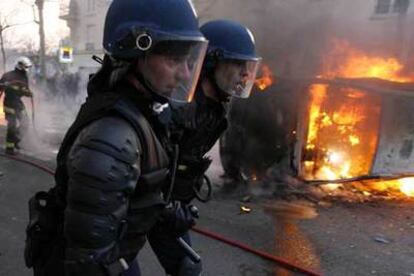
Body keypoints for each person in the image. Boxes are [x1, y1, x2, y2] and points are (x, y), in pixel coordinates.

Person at [24, 0, 208, 275]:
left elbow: (136, 194)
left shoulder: (144, 112)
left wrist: (162, 213)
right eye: (174, 60)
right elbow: (88, 264)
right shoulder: (112, 139)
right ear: (136, 53)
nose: (184, 74)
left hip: (116, 252)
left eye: (188, 61)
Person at [148, 19, 261, 276]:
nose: (245, 73)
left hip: (168, 208)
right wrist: (163, 206)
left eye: (248, 66)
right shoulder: (173, 105)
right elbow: (138, 170)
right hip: (132, 210)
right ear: (211, 62)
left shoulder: (217, 109)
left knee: (188, 268)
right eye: (237, 64)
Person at [0, 56, 33, 155]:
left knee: (25, 123)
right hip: (9, 103)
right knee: (12, 125)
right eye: (25, 66)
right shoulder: (8, 75)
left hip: (18, 103)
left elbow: (24, 90)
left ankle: (15, 140)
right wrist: (3, 84)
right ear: (19, 65)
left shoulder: (24, 77)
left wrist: (28, 93)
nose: (26, 69)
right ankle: (9, 148)